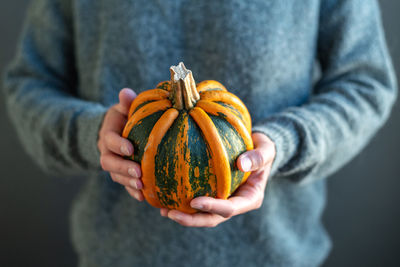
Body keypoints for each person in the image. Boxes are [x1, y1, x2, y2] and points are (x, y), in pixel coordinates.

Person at [3, 0, 397, 266]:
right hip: (118, 255)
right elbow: (30, 84)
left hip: (275, 256)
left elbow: (365, 83)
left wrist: (284, 143)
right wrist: (94, 135)